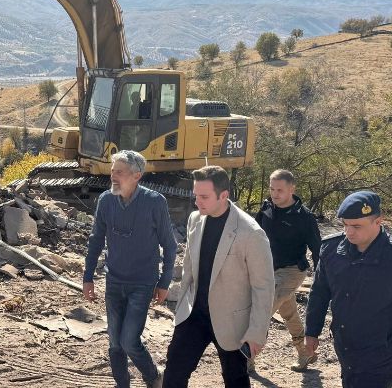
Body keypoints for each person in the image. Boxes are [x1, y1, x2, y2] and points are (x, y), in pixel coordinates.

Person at [304, 191, 392, 388]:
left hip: (382, 353)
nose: (349, 232)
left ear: (378, 221)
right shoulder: (331, 250)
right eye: (345, 225)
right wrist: (311, 331)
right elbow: (319, 293)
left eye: (356, 226)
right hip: (346, 347)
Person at [162, 166, 274, 388]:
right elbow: (189, 265)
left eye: (204, 197)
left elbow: (264, 287)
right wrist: (182, 302)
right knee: (174, 372)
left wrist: (256, 333)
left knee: (235, 379)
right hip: (194, 314)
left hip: (231, 320)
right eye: (196, 196)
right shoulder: (195, 219)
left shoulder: (251, 233)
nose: (197, 202)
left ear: (224, 196)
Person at [83, 150, 177, 388]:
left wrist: (164, 283)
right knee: (114, 342)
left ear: (137, 176)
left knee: (128, 341)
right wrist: (88, 277)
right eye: (113, 171)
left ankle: (153, 377)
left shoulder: (155, 202)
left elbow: (169, 244)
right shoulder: (106, 200)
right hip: (114, 281)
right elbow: (96, 240)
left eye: (120, 172)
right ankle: (121, 384)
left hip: (142, 283)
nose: (113, 176)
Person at [252, 169, 321, 373]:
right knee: (288, 312)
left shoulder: (304, 217)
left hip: (292, 270)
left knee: (262, 311)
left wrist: (322, 279)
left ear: (292, 189)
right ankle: (305, 352)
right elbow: (253, 236)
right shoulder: (266, 209)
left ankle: (246, 357)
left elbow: (318, 249)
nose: (275, 194)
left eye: (280, 190)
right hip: (267, 270)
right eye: (272, 189)